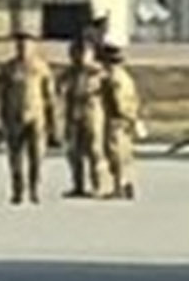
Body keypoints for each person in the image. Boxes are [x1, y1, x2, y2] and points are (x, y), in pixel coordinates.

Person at [0, 32, 59, 205]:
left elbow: (49, 96)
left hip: (36, 117)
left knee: (36, 156)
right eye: (20, 46)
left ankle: (34, 189)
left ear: (33, 47)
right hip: (13, 117)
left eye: (27, 45)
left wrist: (52, 123)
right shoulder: (8, 68)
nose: (23, 49)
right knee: (15, 156)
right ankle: (18, 190)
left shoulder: (41, 67)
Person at [57, 36, 108, 199]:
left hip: (91, 111)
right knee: (74, 151)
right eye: (74, 53)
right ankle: (78, 185)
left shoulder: (99, 72)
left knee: (94, 149)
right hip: (73, 112)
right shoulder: (68, 73)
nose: (78, 57)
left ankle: (99, 185)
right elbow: (59, 90)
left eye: (83, 52)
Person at [98, 43, 142, 201]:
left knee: (115, 154)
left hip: (116, 120)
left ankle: (119, 186)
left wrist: (120, 115)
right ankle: (126, 183)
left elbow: (118, 102)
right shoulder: (126, 78)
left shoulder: (113, 79)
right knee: (125, 154)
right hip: (127, 119)